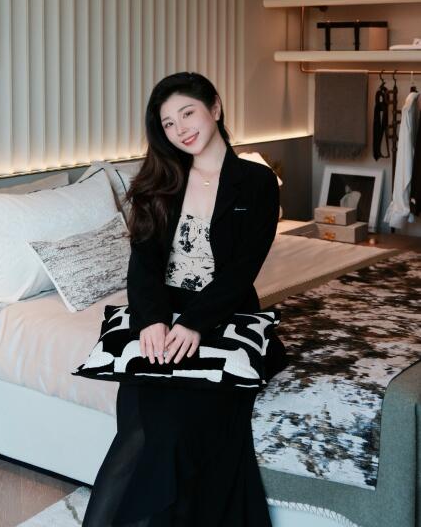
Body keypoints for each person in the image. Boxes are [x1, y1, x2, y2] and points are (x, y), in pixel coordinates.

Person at [82, 71, 287, 527]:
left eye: (187, 113)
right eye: (169, 123)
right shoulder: (159, 181)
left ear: (215, 107)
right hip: (159, 318)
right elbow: (143, 264)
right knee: (139, 430)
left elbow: (242, 270)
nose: (181, 129)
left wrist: (193, 323)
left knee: (176, 429)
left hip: (223, 315)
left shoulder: (256, 181)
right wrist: (151, 320)